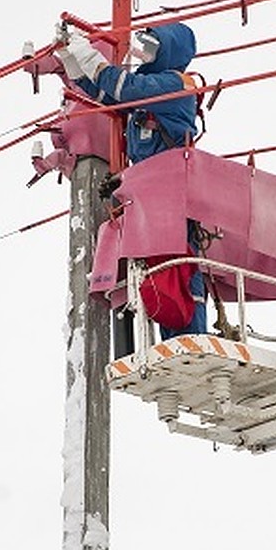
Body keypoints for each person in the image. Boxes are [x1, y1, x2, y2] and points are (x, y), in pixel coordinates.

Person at [55, 21, 207, 337]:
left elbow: (122, 87)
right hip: (149, 191)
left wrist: (88, 52)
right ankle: (173, 334)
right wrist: (71, 58)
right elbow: (107, 95)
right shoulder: (148, 86)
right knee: (159, 265)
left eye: (152, 49)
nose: (145, 55)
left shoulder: (176, 85)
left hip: (171, 189)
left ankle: (191, 334)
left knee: (179, 261)